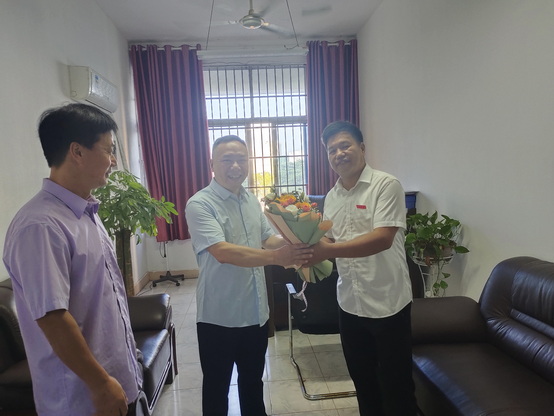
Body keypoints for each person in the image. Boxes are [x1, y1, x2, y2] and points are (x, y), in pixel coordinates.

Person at [2, 103, 142, 416]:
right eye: (109, 150)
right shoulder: (40, 225)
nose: (113, 161)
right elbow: (53, 317)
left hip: (115, 383)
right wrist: (100, 383)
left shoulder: (85, 211)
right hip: (84, 399)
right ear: (77, 152)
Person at [185, 135, 313, 416]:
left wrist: (297, 241)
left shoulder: (250, 200)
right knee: (217, 388)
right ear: (212, 164)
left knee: (253, 383)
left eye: (241, 159)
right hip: (219, 316)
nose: (235, 166)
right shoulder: (200, 204)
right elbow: (222, 252)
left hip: (255, 313)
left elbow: (267, 239)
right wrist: (277, 258)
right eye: (227, 160)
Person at [308, 121, 417, 416]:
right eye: (332, 150)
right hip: (349, 303)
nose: (339, 154)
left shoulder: (386, 185)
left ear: (362, 148)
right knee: (364, 383)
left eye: (345, 146)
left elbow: (382, 238)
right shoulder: (331, 197)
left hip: (388, 303)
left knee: (397, 387)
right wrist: (305, 247)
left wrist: (327, 250)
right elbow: (331, 239)